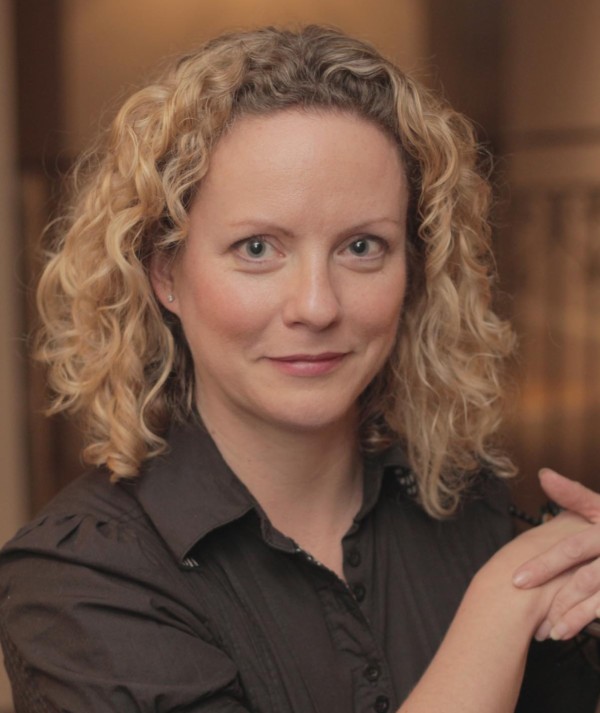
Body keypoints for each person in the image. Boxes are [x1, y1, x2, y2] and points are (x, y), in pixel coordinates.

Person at [0, 25, 599, 713]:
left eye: (362, 247)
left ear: (413, 271)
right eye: (257, 248)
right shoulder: (80, 582)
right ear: (166, 274)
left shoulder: (467, 506)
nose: (317, 306)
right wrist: (504, 603)